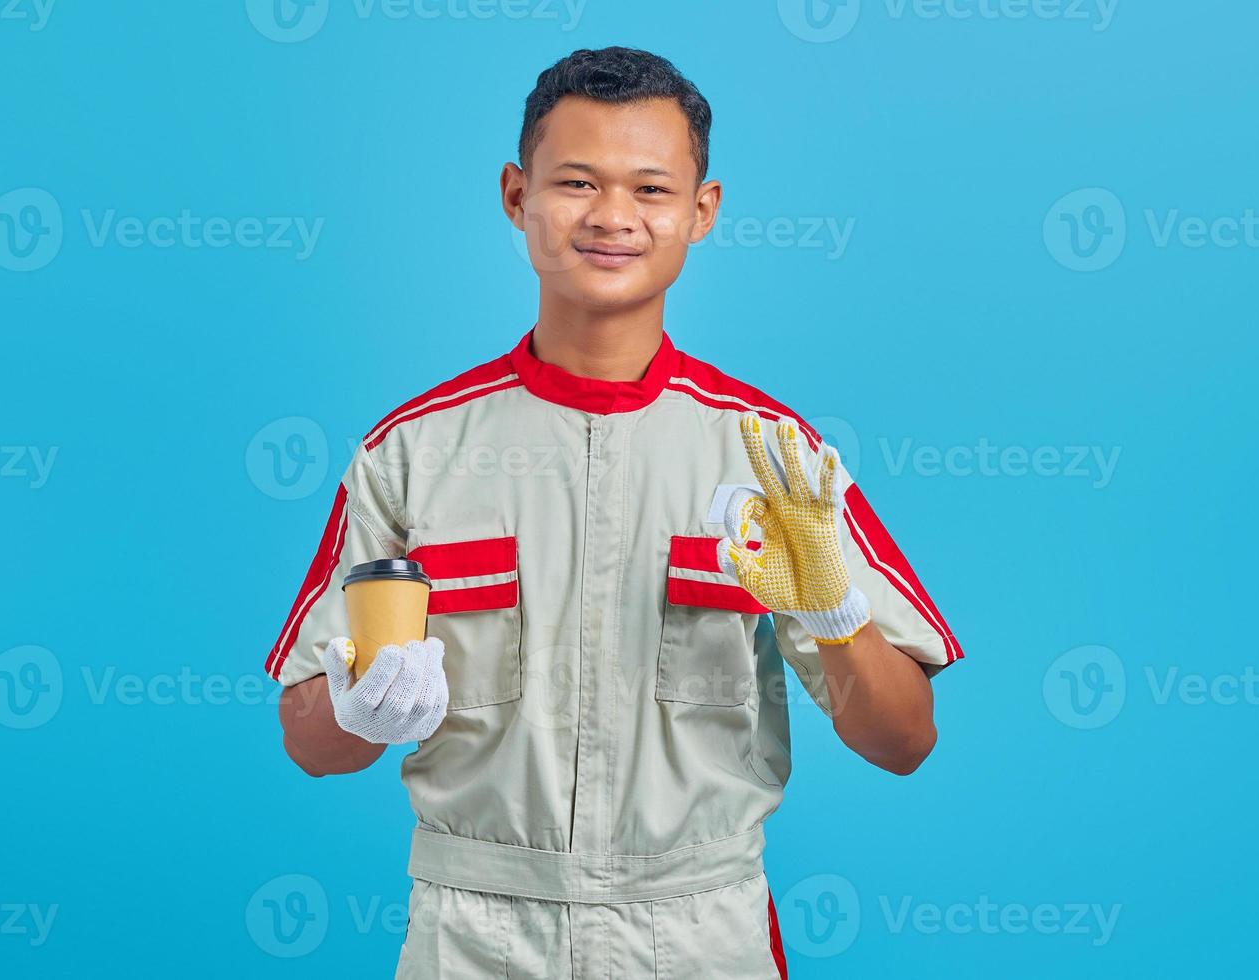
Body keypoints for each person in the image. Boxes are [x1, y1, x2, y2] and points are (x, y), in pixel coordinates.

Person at [266, 46, 962, 979]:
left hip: (698, 933)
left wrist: (838, 620)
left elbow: (905, 741)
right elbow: (310, 744)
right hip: (474, 934)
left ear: (701, 212)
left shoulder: (774, 458)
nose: (611, 218)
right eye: (577, 182)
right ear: (515, 195)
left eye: (650, 189)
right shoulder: (411, 454)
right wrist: (361, 709)